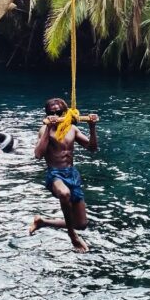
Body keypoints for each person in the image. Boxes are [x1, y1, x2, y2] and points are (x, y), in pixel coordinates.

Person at [29, 97, 99, 253]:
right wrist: (48, 128)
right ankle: (71, 235)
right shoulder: (44, 130)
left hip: (72, 174)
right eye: (51, 112)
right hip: (55, 174)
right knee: (64, 193)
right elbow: (38, 155)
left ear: (65, 112)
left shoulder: (72, 129)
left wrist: (92, 127)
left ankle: (42, 221)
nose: (55, 114)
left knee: (81, 224)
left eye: (59, 111)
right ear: (47, 115)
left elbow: (92, 148)